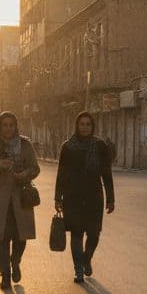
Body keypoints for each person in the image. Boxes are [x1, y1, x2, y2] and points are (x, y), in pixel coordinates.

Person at [0, 111, 40, 291]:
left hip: (21, 197)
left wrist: (25, 174)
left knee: (22, 236)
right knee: (2, 238)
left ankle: (15, 261)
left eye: (11, 125)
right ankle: (5, 276)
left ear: (16, 126)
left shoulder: (25, 144)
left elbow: (35, 168)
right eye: (4, 125)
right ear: (0, 127)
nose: (8, 129)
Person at [55, 112, 115, 284]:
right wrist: (57, 197)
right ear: (77, 125)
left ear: (92, 126)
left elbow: (107, 173)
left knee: (94, 233)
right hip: (72, 196)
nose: (85, 127)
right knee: (76, 234)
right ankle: (78, 270)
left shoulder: (100, 146)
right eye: (82, 124)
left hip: (94, 195)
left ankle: (86, 259)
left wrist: (111, 198)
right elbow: (61, 173)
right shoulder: (68, 147)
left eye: (88, 124)